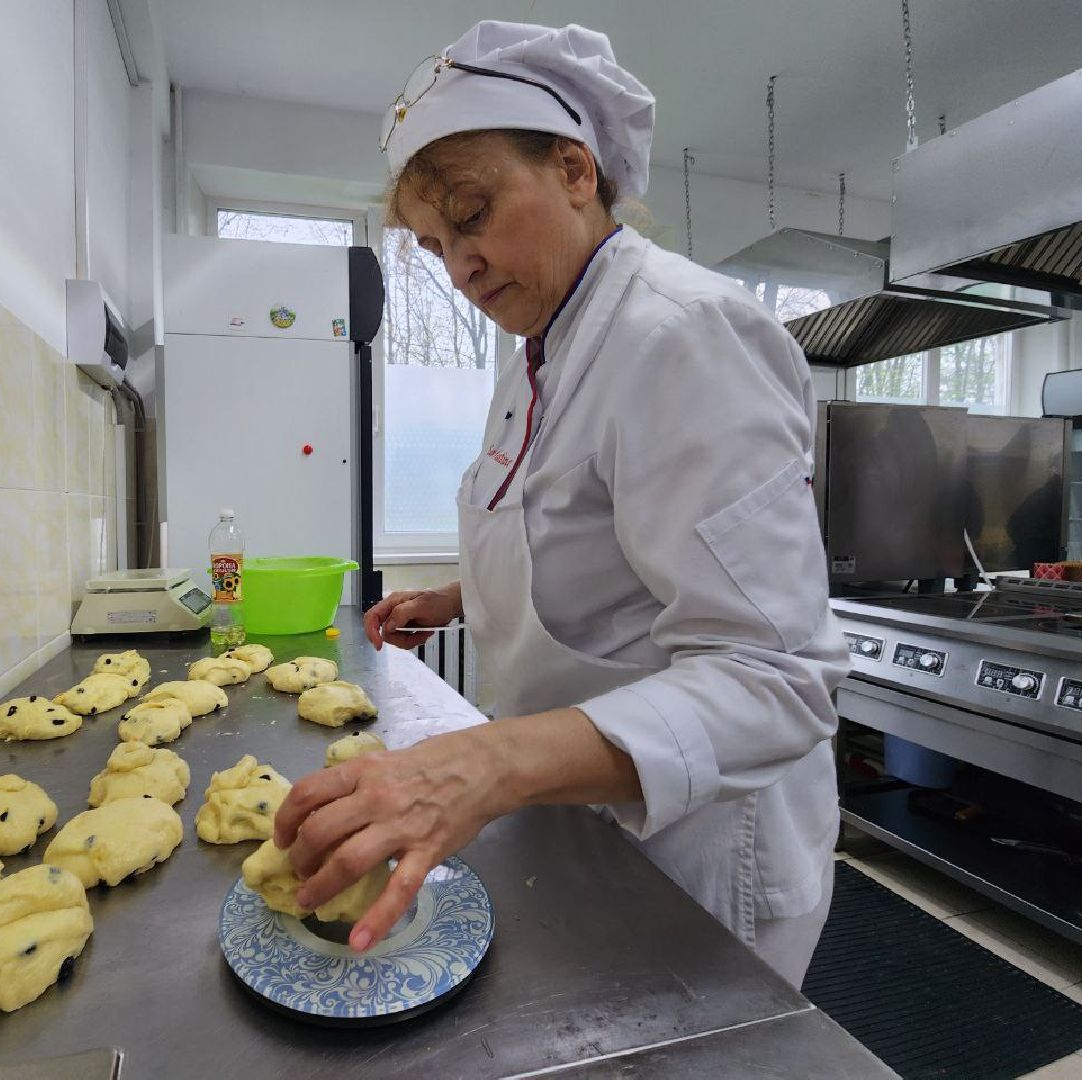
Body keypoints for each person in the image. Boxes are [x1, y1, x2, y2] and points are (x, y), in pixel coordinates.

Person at [272, 19, 848, 988]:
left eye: (473, 213)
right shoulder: (539, 351)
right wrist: (461, 597)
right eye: (435, 245)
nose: (460, 265)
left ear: (576, 170)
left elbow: (777, 679)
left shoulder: (683, 334)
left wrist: (480, 765)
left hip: (700, 849)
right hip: (582, 819)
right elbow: (593, 537)